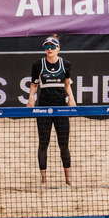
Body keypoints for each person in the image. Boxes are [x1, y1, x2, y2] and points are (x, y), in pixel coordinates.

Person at [27, 35, 76, 186]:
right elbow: (34, 85)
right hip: (43, 109)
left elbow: (67, 84)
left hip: (61, 109)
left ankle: (68, 180)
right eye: (46, 46)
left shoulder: (65, 64)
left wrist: (72, 99)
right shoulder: (38, 65)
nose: (49, 49)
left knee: (64, 144)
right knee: (43, 143)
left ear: (58, 49)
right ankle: (43, 180)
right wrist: (31, 99)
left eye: (52, 46)